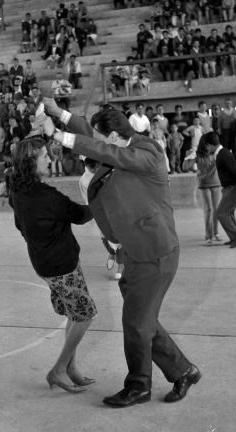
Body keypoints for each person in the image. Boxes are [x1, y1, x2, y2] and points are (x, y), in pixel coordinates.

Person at [42, 97, 200, 408]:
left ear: (114, 136)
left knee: (137, 322)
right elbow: (95, 137)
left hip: (154, 250)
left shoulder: (148, 152)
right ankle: (184, 370)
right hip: (133, 251)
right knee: (143, 320)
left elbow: (108, 151)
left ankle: (139, 385)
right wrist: (59, 113)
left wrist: (58, 135)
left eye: (102, 138)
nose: (96, 142)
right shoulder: (116, 143)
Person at [9, 136, 96, 393]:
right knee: (85, 315)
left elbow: (20, 225)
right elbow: (80, 215)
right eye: (44, 156)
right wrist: (101, 200)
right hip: (62, 265)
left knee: (73, 312)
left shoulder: (18, 191)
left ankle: (71, 368)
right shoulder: (47, 196)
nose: (50, 159)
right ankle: (58, 369)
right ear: (30, 162)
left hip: (43, 263)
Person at [202, 132, 236, 247]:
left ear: (210, 145)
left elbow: (235, 169)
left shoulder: (223, 154)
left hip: (234, 187)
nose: (206, 148)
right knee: (228, 212)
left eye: (207, 146)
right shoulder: (222, 153)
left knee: (221, 213)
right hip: (231, 187)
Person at [196, 135, 221, 245]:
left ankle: (216, 233)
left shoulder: (217, 153)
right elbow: (185, 167)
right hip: (203, 184)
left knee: (216, 209)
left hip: (216, 183)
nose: (209, 146)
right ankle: (208, 235)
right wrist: (189, 158)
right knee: (208, 210)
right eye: (208, 144)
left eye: (211, 144)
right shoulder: (197, 155)